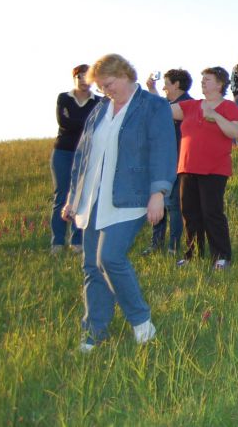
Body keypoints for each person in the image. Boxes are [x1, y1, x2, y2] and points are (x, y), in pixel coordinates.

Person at [61, 54, 176, 352]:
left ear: (124, 74)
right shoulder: (99, 109)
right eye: (101, 87)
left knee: (109, 258)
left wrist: (158, 193)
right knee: (91, 266)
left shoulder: (153, 106)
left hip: (132, 196)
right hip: (93, 198)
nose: (105, 91)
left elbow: (163, 149)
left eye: (108, 84)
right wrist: (74, 197)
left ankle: (142, 323)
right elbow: (84, 154)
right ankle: (94, 333)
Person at [170, 67, 238, 269]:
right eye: (202, 79)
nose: (202, 82)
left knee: (212, 212)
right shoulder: (190, 106)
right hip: (187, 166)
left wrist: (216, 116)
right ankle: (193, 254)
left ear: (220, 84)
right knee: (189, 212)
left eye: (207, 79)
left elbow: (235, 131)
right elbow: (163, 112)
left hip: (214, 168)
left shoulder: (228, 107)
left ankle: (221, 256)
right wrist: (151, 92)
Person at [50, 64, 101, 254]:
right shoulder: (64, 98)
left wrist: (77, 123)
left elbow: (96, 126)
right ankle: (57, 243)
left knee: (81, 195)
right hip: (63, 152)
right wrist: (86, 124)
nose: (83, 80)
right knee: (61, 196)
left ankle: (77, 242)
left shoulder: (99, 101)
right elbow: (63, 124)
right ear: (74, 79)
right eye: (79, 77)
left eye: (86, 77)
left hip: (87, 154)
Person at [143, 68, 193, 255]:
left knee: (173, 205)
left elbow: (164, 111)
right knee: (159, 202)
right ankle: (156, 243)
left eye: (166, 83)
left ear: (177, 85)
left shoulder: (188, 103)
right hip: (162, 160)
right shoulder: (168, 103)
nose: (163, 87)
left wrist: (151, 92)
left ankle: (173, 246)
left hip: (179, 160)